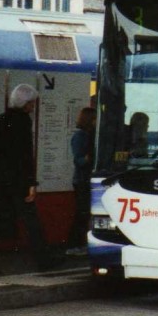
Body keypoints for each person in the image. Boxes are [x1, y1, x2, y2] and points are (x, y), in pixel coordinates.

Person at [0, 84, 61, 276]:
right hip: (15, 181)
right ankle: (44, 260)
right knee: (31, 221)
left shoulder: (3, 119)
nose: (33, 106)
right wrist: (31, 183)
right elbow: (24, 155)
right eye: (31, 103)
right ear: (25, 103)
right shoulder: (23, 121)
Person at [66, 106, 96, 256]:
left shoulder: (88, 135)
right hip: (82, 180)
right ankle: (74, 245)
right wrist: (90, 157)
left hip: (85, 180)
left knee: (84, 214)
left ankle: (79, 244)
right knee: (82, 214)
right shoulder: (80, 136)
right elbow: (78, 160)